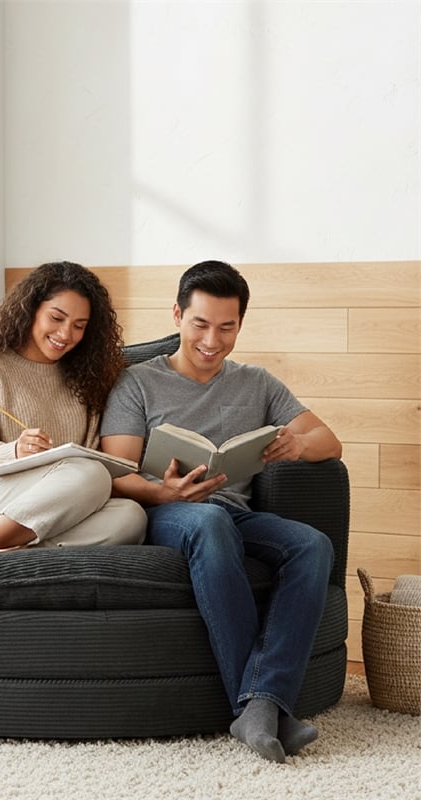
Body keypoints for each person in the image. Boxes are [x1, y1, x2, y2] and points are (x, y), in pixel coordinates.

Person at [100, 260, 342, 763]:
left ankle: (261, 704)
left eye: (226, 327)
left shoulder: (257, 383)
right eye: (200, 324)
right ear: (177, 316)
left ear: (239, 325)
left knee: (312, 545)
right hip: (169, 514)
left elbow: (329, 440)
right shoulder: (136, 383)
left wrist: (296, 446)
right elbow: (115, 472)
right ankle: (262, 706)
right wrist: (161, 492)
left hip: (236, 513)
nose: (213, 340)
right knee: (208, 521)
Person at [0, 261, 147, 574]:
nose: (65, 334)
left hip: (46, 509)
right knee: (92, 474)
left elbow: (85, 470)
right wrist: (13, 450)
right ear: (30, 309)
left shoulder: (86, 381)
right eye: (57, 318)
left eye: (79, 326)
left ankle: (10, 555)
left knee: (131, 516)